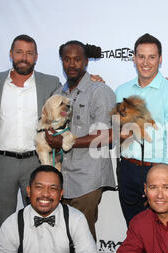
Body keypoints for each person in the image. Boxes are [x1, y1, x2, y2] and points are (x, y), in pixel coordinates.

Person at [0, 34, 61, 226]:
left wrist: (93, 80)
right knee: (2, 219)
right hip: (1, 162)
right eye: (19, 52)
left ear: (36, 57)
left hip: (36, 161)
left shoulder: (51, 83)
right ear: (11, 54)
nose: (24, 57)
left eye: (29, 53)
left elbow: (71, 98)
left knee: (40, 218)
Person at [44, 41, 116, 240]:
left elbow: (105, 136)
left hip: (88, 179)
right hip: (62, 178)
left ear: (86, 61)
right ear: (62, 61)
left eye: (77, 59)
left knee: (82, 239)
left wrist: (66, 142)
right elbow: (49, 130)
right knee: (61, 238)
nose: (72, 64)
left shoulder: (99, 91)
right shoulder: (57, 94)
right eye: (67, 59)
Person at [115, 33, 168, 226]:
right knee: (134, 230)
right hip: (127, 169)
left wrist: (164, 182)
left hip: (158, 170)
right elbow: (117, 132)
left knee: (159, 233)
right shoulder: (121, 90)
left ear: (160, 59)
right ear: (134, 58)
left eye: (152, 57)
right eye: (141, 56)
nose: (146, 62)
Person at [0, 165, 99, 253]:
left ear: (61, 194)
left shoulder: (75, 218)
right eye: (39, 187)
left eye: (53, 188)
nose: (45, 194)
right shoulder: (11, 225)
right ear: (28, 191)